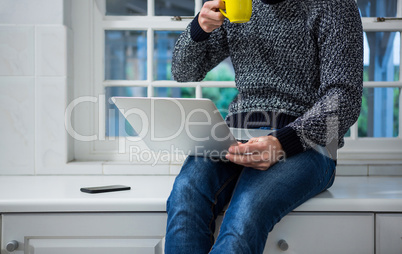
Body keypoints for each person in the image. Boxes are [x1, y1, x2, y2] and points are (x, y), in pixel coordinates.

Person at [165, 0, 363, 252]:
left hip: (308, 145)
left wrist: (282, 142)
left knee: (247, 209)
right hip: (237, 133)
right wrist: (199, 28)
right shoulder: (234, 4)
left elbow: (344, 100)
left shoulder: (334, 5)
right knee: (186, 194)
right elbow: (183, 71)